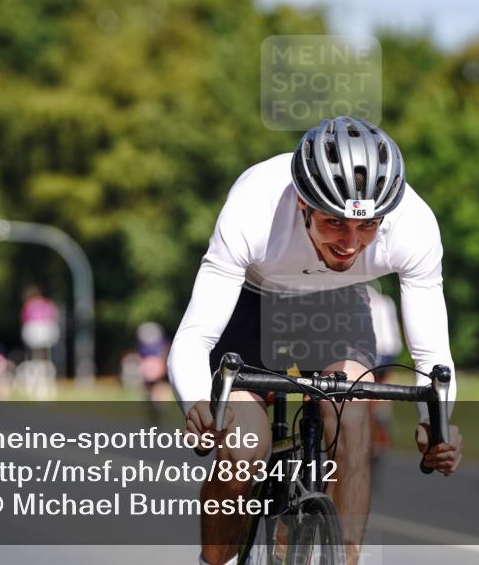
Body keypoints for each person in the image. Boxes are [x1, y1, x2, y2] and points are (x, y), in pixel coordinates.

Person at [168, 117, 462, 565]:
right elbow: (194, 336)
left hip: (338, 306)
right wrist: (197, 405)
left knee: (353, 417)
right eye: (333, 223)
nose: (350, 243)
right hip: (254, 302)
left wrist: (436, 424)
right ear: (303, 204)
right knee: (244, 446)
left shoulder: (414, 225)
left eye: (368, 228)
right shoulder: (255, 206)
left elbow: (431, 356)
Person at [367, 284, 403, 459]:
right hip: (389, 353)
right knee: (382, 392)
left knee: (364, 396)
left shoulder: (361, 300)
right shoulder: (387, 302)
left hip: (372, 353)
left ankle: (372, 431)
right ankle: (383, 413)